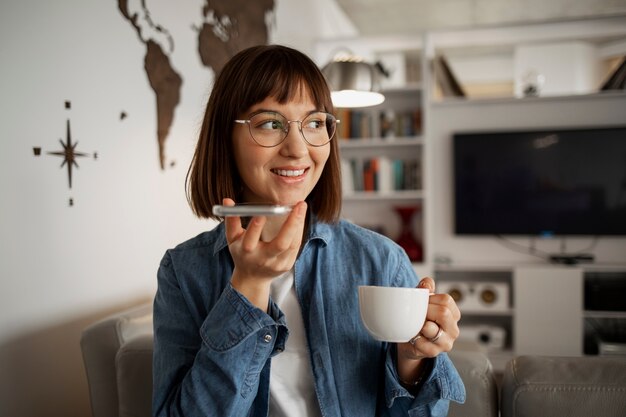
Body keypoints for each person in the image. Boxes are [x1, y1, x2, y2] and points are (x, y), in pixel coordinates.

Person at [152, 44, 465, 417]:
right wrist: (247, 287)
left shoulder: (381, 259)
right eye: (270, 123)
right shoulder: (184, 272)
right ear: (226, 138)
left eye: (315, 123)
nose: (299, 149)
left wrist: (411, 360)